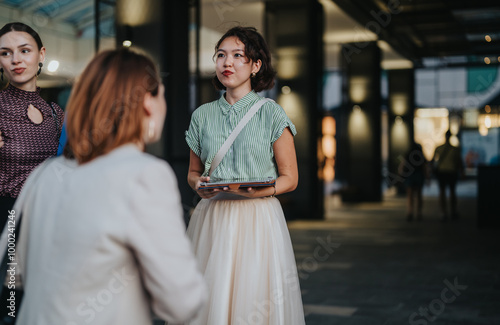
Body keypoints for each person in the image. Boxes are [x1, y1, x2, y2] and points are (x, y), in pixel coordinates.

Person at [0, 48, 207, 325]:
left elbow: (15, 272)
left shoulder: (45, 174)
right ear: (148, 102)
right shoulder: (145, 174)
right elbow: (182, 303)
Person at [185, 26, 305, 324]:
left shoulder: (271, 113)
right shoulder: (202, 115)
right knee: (208, 296)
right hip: (212, 216)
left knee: (253, 298)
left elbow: (290, 178)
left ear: (256, 65)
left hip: (257, 218)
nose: (228, 63)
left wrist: (260, 191)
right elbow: (193, 172)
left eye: (239, 56)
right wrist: (198, 185)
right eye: (221, 55)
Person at [0, 22, 64, 228]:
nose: (16, 60)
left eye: (25, 50)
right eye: (5, 53)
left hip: (47, 215)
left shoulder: (55, 113)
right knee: (12, 261)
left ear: (41, 55)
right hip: (8, 217)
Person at [433, 130, 464, 221]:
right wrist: (462, 172)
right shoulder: (455, 149)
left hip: (442, 172)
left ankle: (443, 212)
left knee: (442, 192)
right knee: (452, 192)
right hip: (451, 172)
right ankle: (453, 211)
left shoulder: (439, 148)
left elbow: (433, 161)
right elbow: (459, 162)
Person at [399, 141, 428, 221]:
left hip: (409, 175)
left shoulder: (408, 154)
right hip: (419, 175)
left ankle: (410, 212)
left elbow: (403, 164)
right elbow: (424, 166)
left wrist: (400, 174)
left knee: (410, 195)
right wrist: (427, 177)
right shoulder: (420, 155)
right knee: (419, 195)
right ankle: (419, 213)